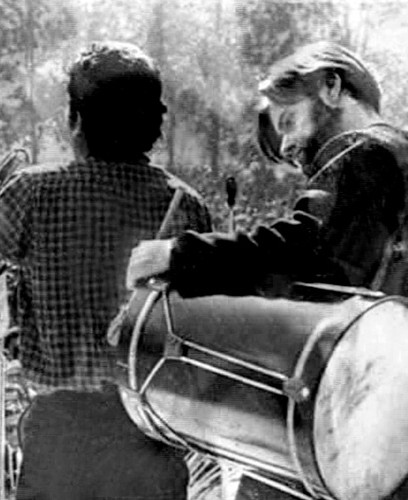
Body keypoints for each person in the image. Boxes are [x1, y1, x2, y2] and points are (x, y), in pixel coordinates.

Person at [0, 41, 210, 498]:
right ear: (153, 122)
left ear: (76, 119)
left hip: (62, 439)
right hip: (153, 434)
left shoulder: (38, 191)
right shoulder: (185, 204)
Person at [124, 41, 408, 500]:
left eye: (289, 120)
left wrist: (180, 254)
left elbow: (303, 252)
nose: (290, 146)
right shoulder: (398, 158)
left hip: (351, 421)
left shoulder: (365, 151)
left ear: (332, 86)